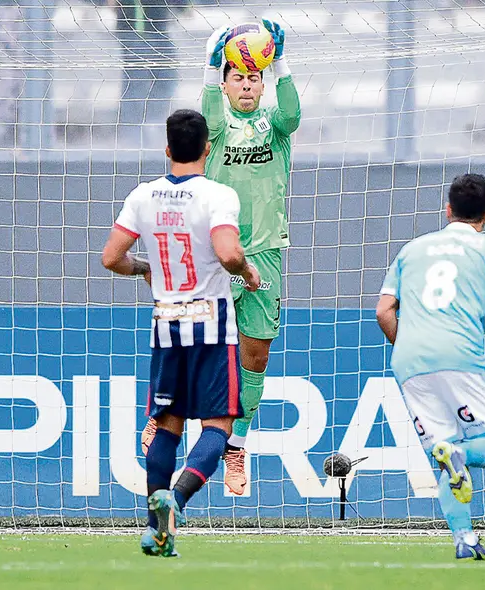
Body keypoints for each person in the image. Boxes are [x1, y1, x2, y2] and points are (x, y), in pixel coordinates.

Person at [141, 20, 301, 496]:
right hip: (213, 252)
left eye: (254, 78)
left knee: (256, 352)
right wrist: (212, 66)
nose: (247, 84)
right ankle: (162, 417)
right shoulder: (213, 128)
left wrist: (282, 60)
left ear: (262, 81)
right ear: (228, 84)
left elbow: (292, 113)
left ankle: (237, 444)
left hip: (265, 252)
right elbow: (206, 108)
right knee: (189, 340)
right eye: (238, 78)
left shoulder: (275, 125)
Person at [101, 109, 260, 557]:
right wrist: (247, 272)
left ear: (168, 149)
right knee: (219, 425)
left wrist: (144, 269)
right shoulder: (218, 194)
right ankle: (180, 499)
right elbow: (228, 252)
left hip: (166, 322)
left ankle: (157, 529)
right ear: (208, 149)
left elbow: (111, 258)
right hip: (210, 323)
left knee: (166, 425)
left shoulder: (142, 196)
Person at [375, 174, 485, 561]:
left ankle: (465, 538)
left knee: (444, 450)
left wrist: (412, 347)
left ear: (447, 209)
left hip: (409, 361)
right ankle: (462, 457)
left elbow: (384, 311)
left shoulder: (412, 249)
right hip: (461, 357)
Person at [113, 0, 189, 145]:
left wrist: (183, 5)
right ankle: (132, 137)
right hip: (133, 27)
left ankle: (151, 123)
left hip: (158, 25)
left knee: (167, 78)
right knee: (135, 83)